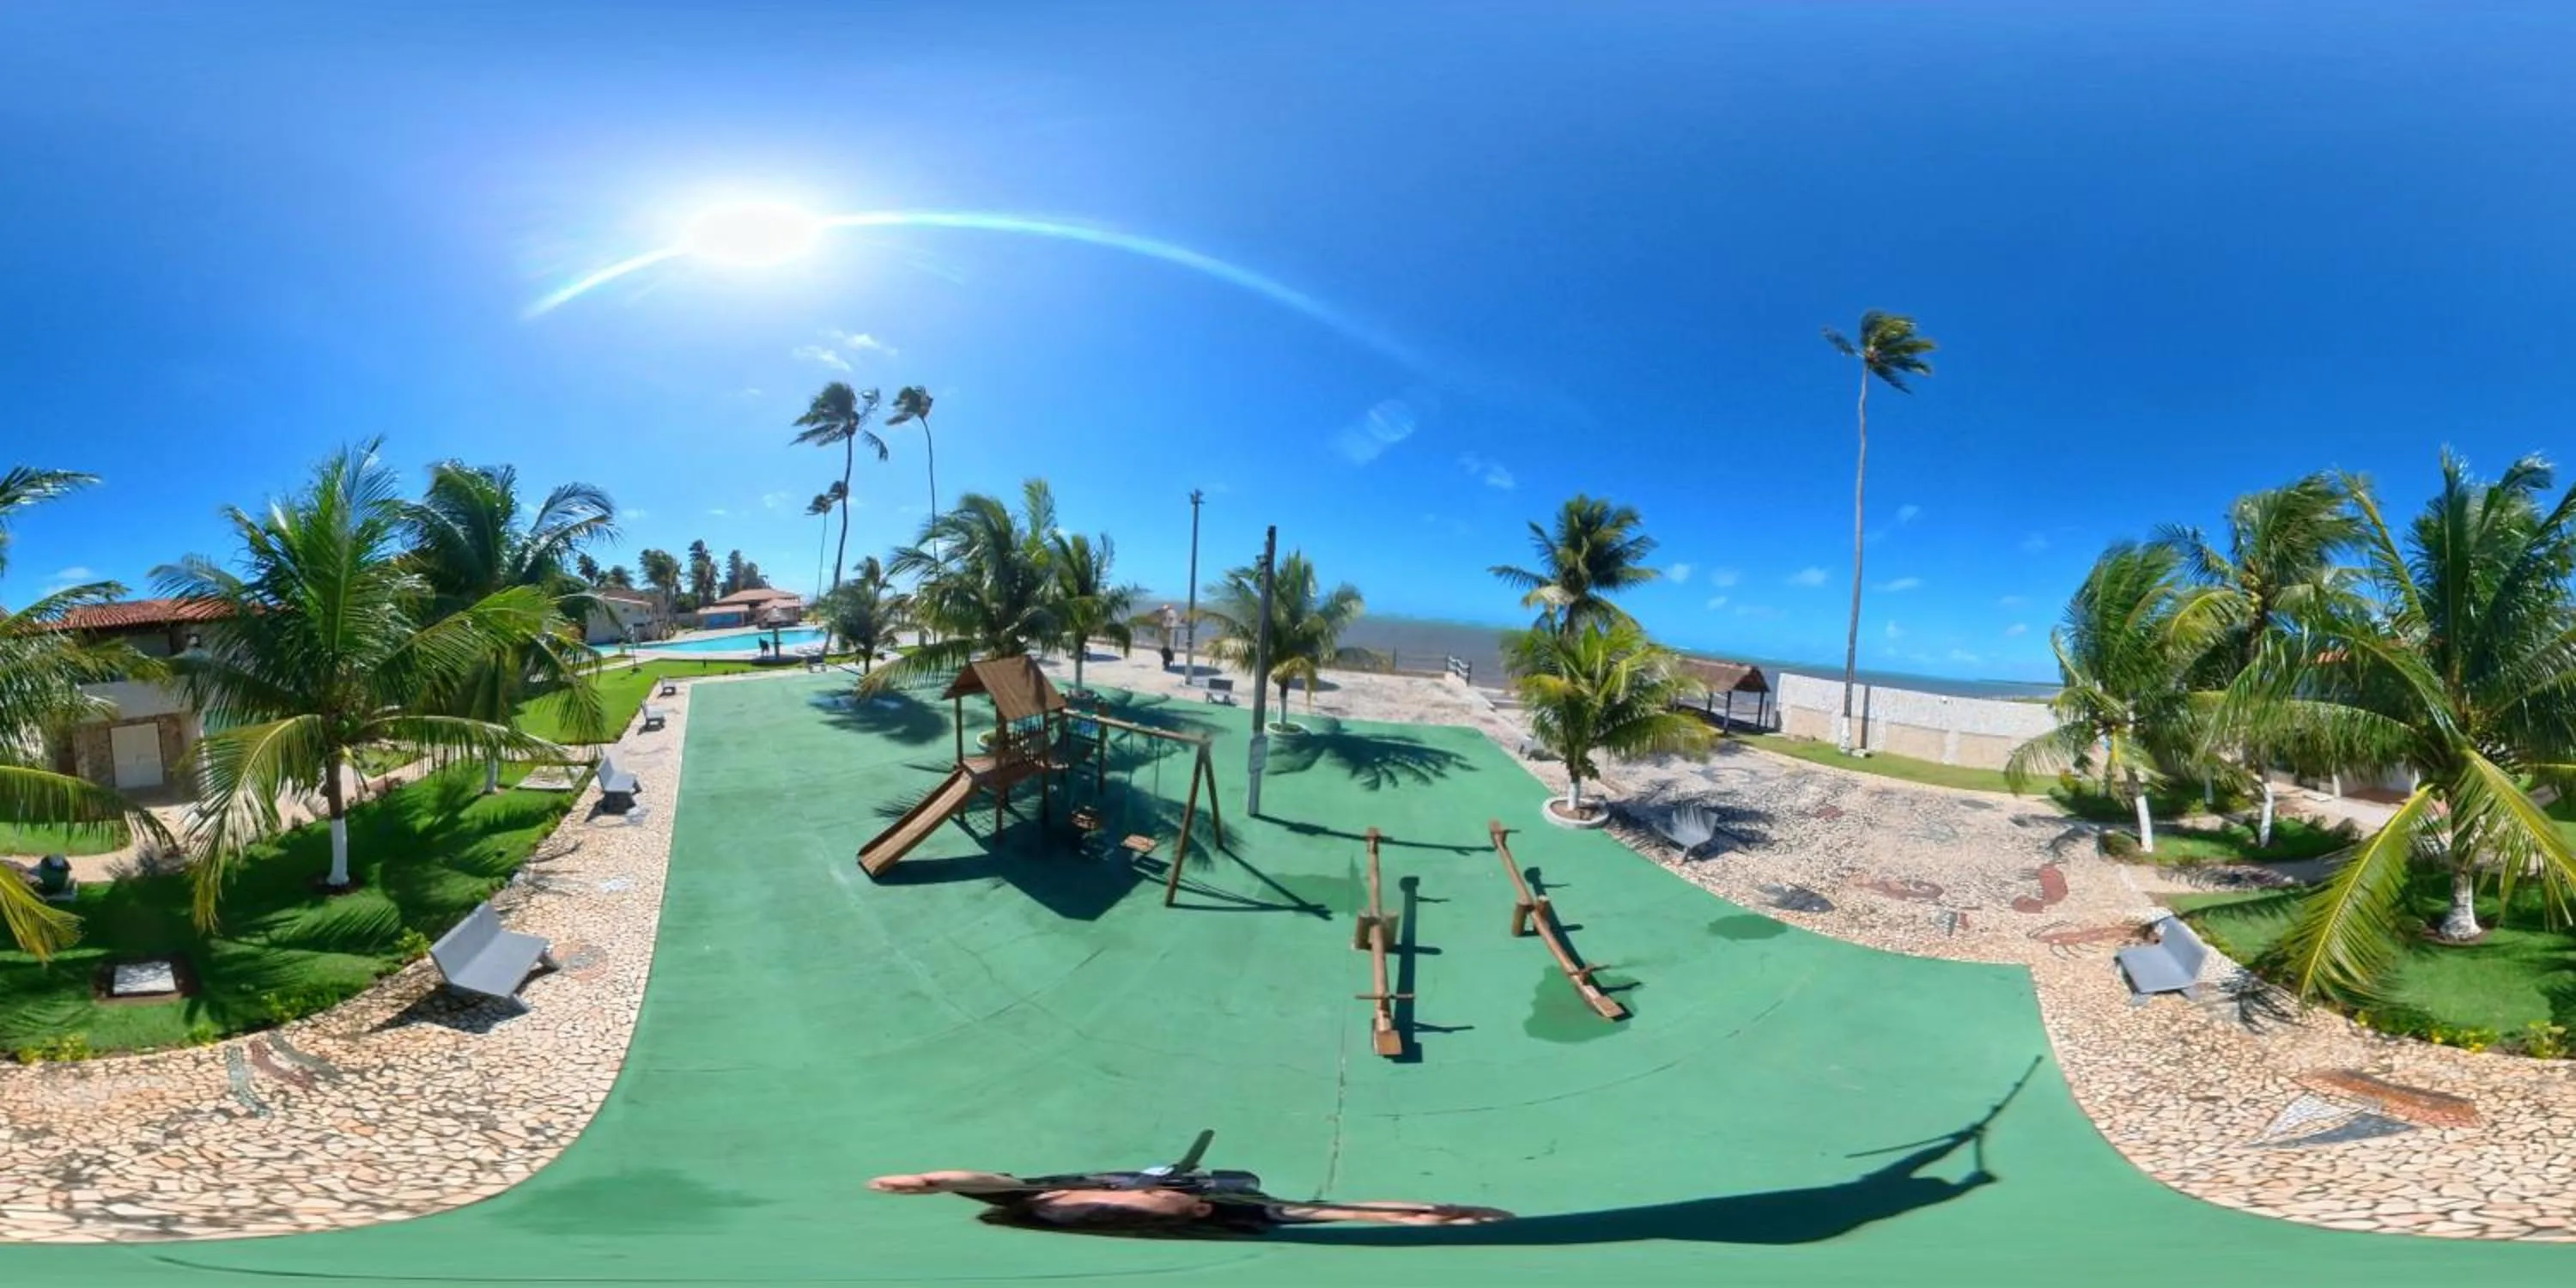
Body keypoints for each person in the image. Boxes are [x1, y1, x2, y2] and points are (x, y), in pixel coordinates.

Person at [868, 1169, 1512, 1238]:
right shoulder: (1061, 1212)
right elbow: (1339, 1209)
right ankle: (1439, 1216)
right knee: (1311, 1211)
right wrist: (1435, 1212)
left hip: (1199, 1192)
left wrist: (930, 1182)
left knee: (1310, 1204)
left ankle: (1437, 1208)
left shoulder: (1040, 1192)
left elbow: (979, 1178)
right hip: (1218, 1208)